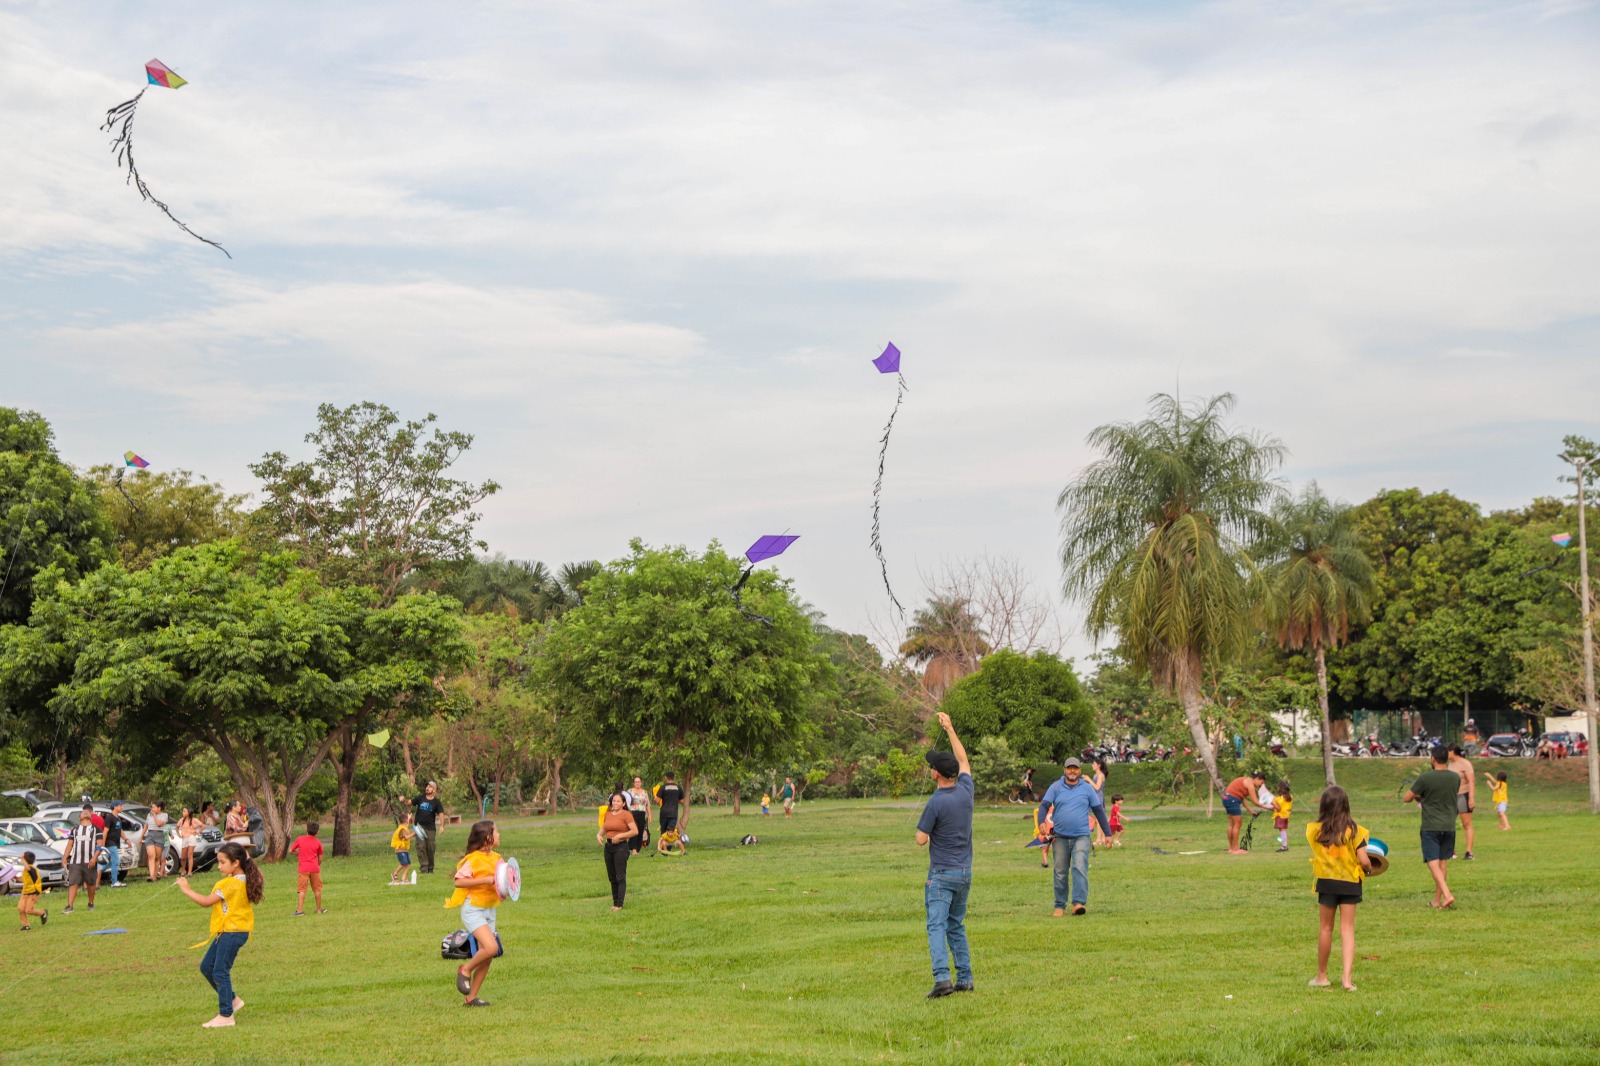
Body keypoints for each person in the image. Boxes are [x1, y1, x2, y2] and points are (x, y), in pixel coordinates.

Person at [917, 712, 974, 999]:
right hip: (965, 873)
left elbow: (919, 839)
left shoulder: (935, 801)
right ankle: (965, 978)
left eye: (932, 766)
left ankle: (942, 978)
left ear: (937, 773)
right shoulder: (966, 790)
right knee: (956, 924)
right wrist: (950, 728)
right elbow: (963, 760)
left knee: (936, 925)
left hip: (941, 874)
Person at [177, 841, 262, 1028]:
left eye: (222, 862)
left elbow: (207, 902)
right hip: (229, 931)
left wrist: (187, 889)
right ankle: (233, 1000)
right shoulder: (239, 879)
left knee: (220, 971)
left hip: (233, 932)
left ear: (236, 863)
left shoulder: (231, 884)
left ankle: (226, 1015)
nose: (219, 866)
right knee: (207, 967)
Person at [1305, 785, 1372, 991]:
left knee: (1326, 928)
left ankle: (1322, 976)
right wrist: (1369, 868)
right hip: (1350, 883)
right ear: (1346, 806)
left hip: (1326, 882)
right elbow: (1364, 861)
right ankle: (1346, 979)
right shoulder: (1356, 831)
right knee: (1347, 930)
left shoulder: (1315, 830)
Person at [1036, 757, 1112, 916]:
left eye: (1075, 768)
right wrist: (1041, 821)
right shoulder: (1056, 787)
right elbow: (1044, 805)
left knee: (1079, 867)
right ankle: (1059, 906)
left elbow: (1098, 811)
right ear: (1064, 770)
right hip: (1060, 837)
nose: (1072, 771)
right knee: (1060, 871)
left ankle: (1078, 903)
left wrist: (1108, 834)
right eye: (1069, 768)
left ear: (1080, 770)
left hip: (1081, 836)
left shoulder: (1087, 788)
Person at [445, 820, 502, 1007]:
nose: (499, 835)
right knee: (491, 948)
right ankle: (465, 970)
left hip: (489, 910)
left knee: (487, 956)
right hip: (473, 910)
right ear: (488, 837)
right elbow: (458, 882)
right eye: (497, 832)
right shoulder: (473, 859)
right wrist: (484, 880)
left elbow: (502, 882)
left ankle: (471, 999)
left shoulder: (497, 858)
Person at [1404, 746, 1460, 909]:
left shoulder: (1425, 778)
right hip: (1449, 825)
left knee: (1432, 862)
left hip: (1431, 825)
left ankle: (1447, 895)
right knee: (1442, 862)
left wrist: (1420, 797)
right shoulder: (1455, 778)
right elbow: (1445, 796)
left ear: (1433, 759)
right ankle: (1437, 901)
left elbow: (1407, 798)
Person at [598, 791, 639, 910]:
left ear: (623, 803)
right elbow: (605, 827)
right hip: (609, 847)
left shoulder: (626, 814)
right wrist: (599, 835)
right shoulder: (608, 814)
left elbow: (635, 831)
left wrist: (620, 836)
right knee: (612, 877)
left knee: (620, 876)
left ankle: (619, 904)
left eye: (618, 801)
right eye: (613, 801)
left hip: (620, 847)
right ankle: (615, 901)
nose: (615, 803)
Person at [1222, 771, 1273, 854]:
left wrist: (1250, 810)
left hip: (1226, 798)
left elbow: (1241, 797)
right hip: (1232, 800)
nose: (1261, 785)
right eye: (1261, 782)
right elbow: (1255, 801)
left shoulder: (1246, 781)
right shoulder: (1250, 785)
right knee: (1237, 824)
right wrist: (1269, 807)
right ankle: (1236, 849)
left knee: (1231, 824)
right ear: (1257, 779)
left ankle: (1231, 848)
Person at [63, 807, 99, 914]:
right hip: (75, 861)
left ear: (91, 816)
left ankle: (91, 903)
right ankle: (70, 906)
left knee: (91, 883)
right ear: (80, 818)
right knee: (73, 882)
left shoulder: (96, 829)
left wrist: (94, 858)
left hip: (90, 860)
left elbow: (100, 845)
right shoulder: (75, 830)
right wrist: (65, 857)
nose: (85, 812)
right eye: (83, 812)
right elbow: (70, 844)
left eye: (87, 812)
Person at [288, 821, 325, 916]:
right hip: (314, 868)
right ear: (318, 832)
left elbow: (291, 851)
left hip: (303, 868)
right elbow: (320, 858)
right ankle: (319, 910)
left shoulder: (300, 839)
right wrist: (317, 865)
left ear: (306, 830)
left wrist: (298, 853)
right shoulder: (318, 843)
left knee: (302, 890)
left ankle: (299, 911)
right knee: (317, 889)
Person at [1447, 745, 1476, 860]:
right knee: (1449, 823)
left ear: (1453, 751)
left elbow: (1471, 781)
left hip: (1463, 795)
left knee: (1466, 824)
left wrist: (1471, 798)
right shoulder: (1450, 764)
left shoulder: (1465, 763)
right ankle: (1450, 850)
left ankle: (1469, 852)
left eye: (1448, 752)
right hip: (1451, 796)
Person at [412, 782, 445, 875]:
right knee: (421, 847)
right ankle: (424, 868)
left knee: (430, 848)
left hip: (430, 828)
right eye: (427, 786)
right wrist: (403, 800)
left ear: (434, 790)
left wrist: (442, 825)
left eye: (430, 787)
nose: (427, 788)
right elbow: (410, 802)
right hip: (419, 826)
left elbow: (441, 814)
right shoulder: (420, 798)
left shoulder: (436, 802)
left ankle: (430, 868)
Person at [17, 852, 46, 930]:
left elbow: (28, 868)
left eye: (23, 859)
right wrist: (15, 878)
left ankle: (42, 913)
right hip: (25, 892)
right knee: (21, 909)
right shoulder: (26, 870)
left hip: (33, 892)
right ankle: (26, 925)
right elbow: (24, 880)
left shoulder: (31, 868)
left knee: (29, 910)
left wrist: (22, 858)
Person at [101, 800, 125, 888]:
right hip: (110, 843)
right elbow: (105, 831)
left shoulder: (118, 818)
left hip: (116, 842)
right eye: (120, 805)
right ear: (115, 807)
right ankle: (114, 882)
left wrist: (126, 839)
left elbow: (120, 830)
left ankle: (95, 872)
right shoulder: (109, 818)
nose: (121, 807)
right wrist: (103, 846)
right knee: (116, 862)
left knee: (108, 864)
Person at [176, 806, 203, 877]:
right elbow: (177, 827)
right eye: (183, 811)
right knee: (183, 856)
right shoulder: (182, 820)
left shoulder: (194, 820)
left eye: (185, 811)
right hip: (184, 838)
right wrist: (179, 834)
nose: (183, 812)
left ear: (189, 812)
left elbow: (202, 826)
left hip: (191, 837)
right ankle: (183, 870)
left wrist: (198, 832)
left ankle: (190, 872)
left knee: (190, 854)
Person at [144, 801, 169, 881]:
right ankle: (151, 876)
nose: (152, 809)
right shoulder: (149, 815)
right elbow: (146, 826)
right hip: (150, 834)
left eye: (154, 807)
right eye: (152, 807)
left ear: (159, 808)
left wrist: (154, 815)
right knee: (151, 855)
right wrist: (141, 836)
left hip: (159, 835)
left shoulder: (165, 815)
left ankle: (155, 876)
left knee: (157, 858)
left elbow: (159, 824)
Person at [627, 776, 652, 854]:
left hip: (641, 813)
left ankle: (637, 848)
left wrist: (650, 815)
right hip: (632, 813)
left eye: (638, 782)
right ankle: (633, 849)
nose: (637, 783)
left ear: (641, 783)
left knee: (640, 831)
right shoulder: (629, 791)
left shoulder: (644, 792)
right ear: (634, 783)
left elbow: (647, 804)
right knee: (635, 829)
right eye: (636, 782)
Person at [390, 814, 415, 885]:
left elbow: (407, 826)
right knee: (404, 863)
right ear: (405, 820)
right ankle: (394, 873)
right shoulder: (402, 829)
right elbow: (406, 837)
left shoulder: (403, 827)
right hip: (400, 850)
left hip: (404, 850)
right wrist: (414, 834)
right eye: (407, 820)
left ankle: (403, 879)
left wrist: (409, 818)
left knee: (408, 864)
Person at [1273, 781, 1294, 853]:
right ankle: (1284, 845)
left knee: (1282, 831)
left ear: (1280, 789)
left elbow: (1277, 806)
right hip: (1286, 816)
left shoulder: (1280, 798)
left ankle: (1284, 846)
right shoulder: (1290, 797)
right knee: (1283, 831)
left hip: (1280, 816)